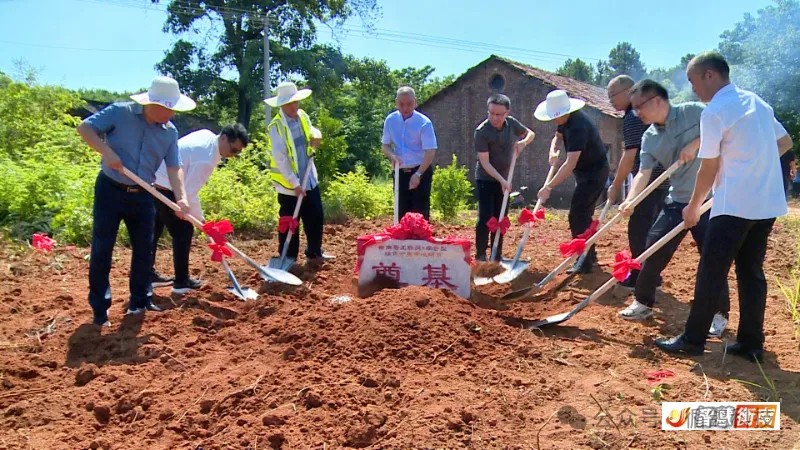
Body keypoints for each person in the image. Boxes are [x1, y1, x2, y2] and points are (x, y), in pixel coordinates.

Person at [656, 52, 794, 361]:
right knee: (751, 272)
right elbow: (784, 142)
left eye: (693, 81)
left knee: (711, 271)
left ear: (710, 75)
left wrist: (693, 206)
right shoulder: (757, 102)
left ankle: (693, 340)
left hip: (734, 205)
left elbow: (708, 166)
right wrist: (755, 161)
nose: (692, 89)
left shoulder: (715, 111)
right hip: (765, 203)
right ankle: (751, 344)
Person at [77, 76, 195, 327]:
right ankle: (100, 309)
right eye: (169, 108)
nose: (172, 114)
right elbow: (85, 128)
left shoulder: (170, 132)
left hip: (143, 194)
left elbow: (174, 167)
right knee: (102, 248)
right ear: (153, 103)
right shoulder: (121, 113)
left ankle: (140, 301)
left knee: (145, 249)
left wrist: (182, 198)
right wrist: (106, 152)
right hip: (110, 189)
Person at [616, 80, 729, 337]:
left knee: (712, 258)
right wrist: (630, 200)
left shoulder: (695, 111)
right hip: (677, 200)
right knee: (652, 249)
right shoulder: (649, 137)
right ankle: (643, 302)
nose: (636, 113)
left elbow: (723, 130)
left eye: (639, 107)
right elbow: (643, 172)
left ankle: (719, 314)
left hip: (709, 200)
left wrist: (696, 144)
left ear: (657, 100)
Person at [150, 124, 250, 294]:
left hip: (156, 181)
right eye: (233, 150)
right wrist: (203, 224)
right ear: (224, 138)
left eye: (237, 153)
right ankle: (181, 282)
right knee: (183, 231)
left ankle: (148, 274)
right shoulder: (206, 158)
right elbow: (189, 192)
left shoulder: (207, 135)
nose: (233, 155)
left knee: (154, 230)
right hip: (167, 186)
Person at [535, 90, 609, 274]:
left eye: (556, 116)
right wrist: (553, 151)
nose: (554, 120)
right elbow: (557, 137)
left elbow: (570, 164)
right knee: (584, 215)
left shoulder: (577, 127)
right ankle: (589, 256)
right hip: (583, 173)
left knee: (577, 215)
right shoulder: (564, 121)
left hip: (594, 173)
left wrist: (549, 186)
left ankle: (583, 261)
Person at [606, 75, 670, 289]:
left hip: (649, 182)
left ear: (628, 91)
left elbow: (630, 154)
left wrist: (616, 185)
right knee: (648, 230)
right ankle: (650, 276)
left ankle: (641, 278)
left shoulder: (632, 118)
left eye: (613, 95)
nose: (610, 101)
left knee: (639, 231)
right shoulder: (638, 116)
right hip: (660, 180)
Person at [266, 81, 333, 263]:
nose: (294, 106)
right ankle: (288, 257)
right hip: (289, 185)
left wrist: (316, 135)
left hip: (308, 177)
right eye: (289, 103)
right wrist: (294, 183)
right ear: (281, 105)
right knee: (289, 221)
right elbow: (281, 159)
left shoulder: (302, 116)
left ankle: (314, 252)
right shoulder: (276, 127)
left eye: (296, 102)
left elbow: (311, 130)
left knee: (315, 216)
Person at [473, 94, 535, 261]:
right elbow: (485, 162)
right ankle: (480, 254)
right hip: (486, 178)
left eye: (499, 114)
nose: (494, 118)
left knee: (501, 217)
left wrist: (523, 143)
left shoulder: (511, 124)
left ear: (507, 113)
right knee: (486, 216)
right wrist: (501, 180)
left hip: (505, 178)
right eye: (491, 113)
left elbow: (531, 134)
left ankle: (496, 255)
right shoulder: (481, 132)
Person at [381, 86, 438, 221]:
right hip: (400, 172)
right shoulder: (390, 120)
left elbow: (430, 151)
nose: (405, 108)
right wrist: (392, 156)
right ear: (396, 102)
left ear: (415, 102)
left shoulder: (424, 123)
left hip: (421, 170)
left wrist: (418, 174)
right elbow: (385, 145)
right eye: (401, 104)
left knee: (420, 214)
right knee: (401, 213)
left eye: (409, 104)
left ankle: (419, 235)